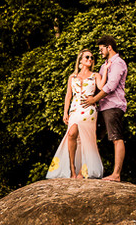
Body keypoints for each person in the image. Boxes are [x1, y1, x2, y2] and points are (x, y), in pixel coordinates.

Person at [45, 49, 104, 180]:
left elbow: (102, 87)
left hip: (89, 109)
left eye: (92, 58)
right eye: (87, 57)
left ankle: (83, 172)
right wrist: (65, 112)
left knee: (86, 139)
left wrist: (105, 71)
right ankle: (72, 169)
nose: (90, 59)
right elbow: (68, 95)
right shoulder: (72, 77)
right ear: (81, 60)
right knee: (71, 134)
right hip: (75, 108)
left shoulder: (96, 75)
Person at [83, 35, 127, 181]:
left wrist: (94, 99)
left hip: (113, 106)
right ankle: (90, 171)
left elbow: (110, 86)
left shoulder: (119, 63)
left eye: (101, 49)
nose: (100, 52)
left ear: (109, 47)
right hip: (101, 107)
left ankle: (116, 174)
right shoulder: (104, 66)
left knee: (116, 137)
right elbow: (98, 85)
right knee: (91, 137)